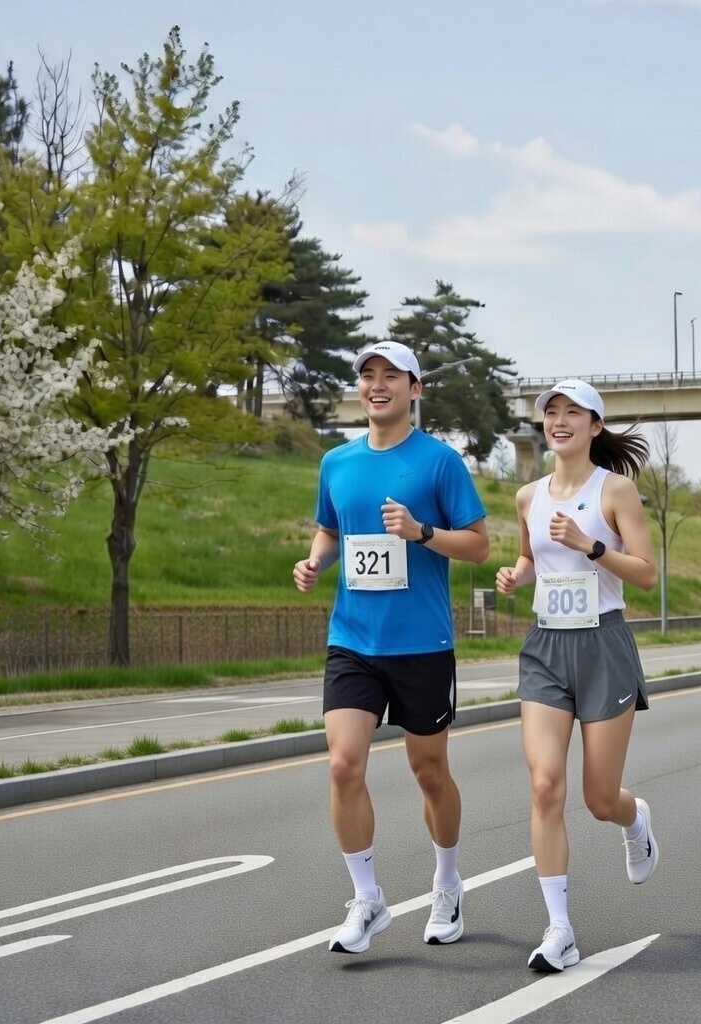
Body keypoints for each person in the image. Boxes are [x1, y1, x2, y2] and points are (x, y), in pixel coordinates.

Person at [293, 340, 489, 955]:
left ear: (414, 389)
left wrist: (421, 532)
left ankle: (447, 883)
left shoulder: (440, 463)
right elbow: (330, 529)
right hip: (352, 639)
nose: (377, 385)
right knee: (343, 764)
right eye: (368, 375)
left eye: (391, 376)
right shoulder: (337, 462)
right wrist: (316, 561)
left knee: (429, 771)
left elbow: (479, 544)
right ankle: (367, 898)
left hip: (422, 643)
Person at [495, 378, 659, 973]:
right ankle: (559, 929)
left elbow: (646, 574)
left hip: (603, 645)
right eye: (551, 412)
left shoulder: (614, 489)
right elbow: (531, 556)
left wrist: (592, 547)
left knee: (598, 798)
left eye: (573, 412)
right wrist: (516, 575)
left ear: (595, 425)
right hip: (546, 647)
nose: (559, 420)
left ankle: (634, 819)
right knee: (545, 786)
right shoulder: (527, 496)